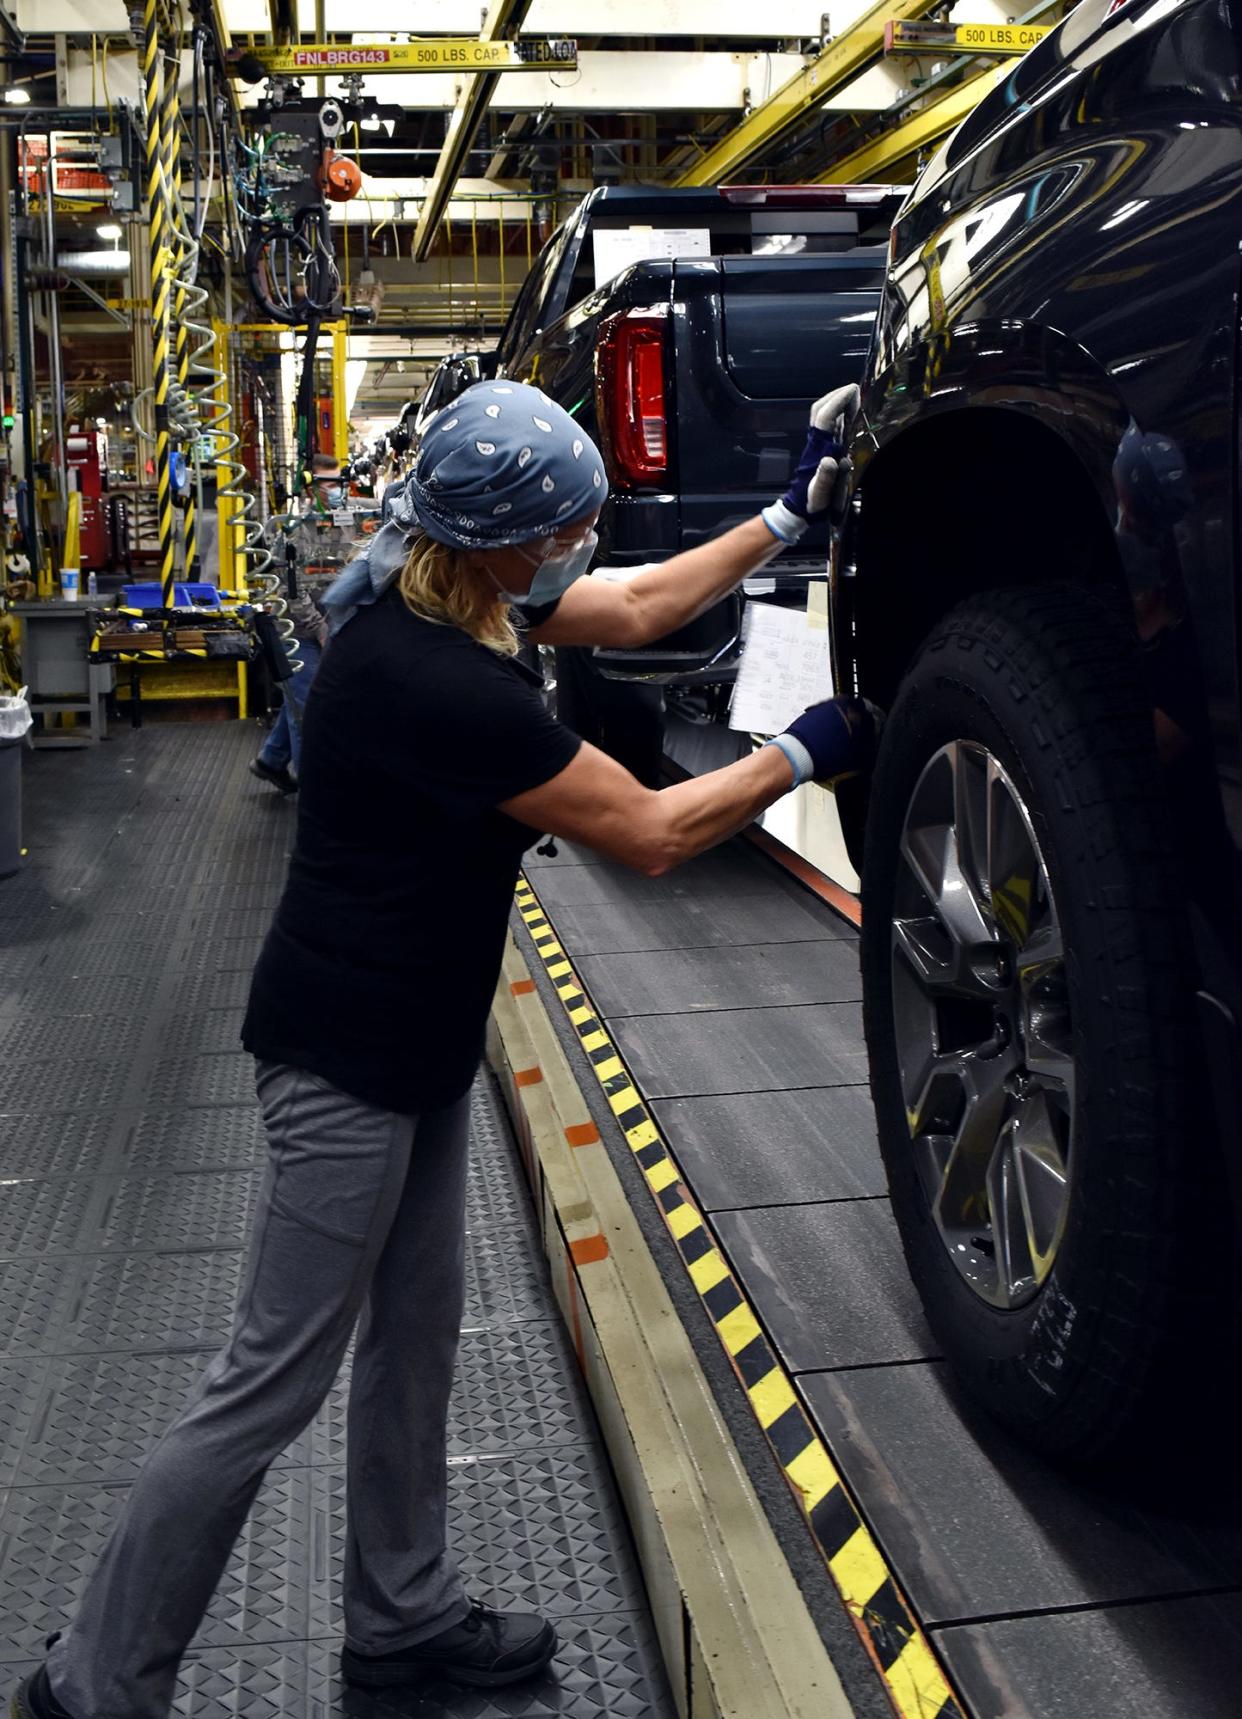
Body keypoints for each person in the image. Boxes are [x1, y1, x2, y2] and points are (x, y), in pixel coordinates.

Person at [11, 379, 872, 1719]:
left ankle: (399, 1613)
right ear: (513, 536)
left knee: (414, 1333)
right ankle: (91, 1680)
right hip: (344, 1060)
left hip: (414, 1038)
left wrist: (782, 511)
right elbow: (649, 831)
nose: (589, 537)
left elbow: (642, 606)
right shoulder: (437, 683)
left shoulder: (447, 590)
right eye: (574, 521)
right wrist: (804, 748)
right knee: (268, 1375)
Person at [249, 456, 342, 794]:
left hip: (328, 630)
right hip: (294, 632)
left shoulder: (342, 522)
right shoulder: (292, 530)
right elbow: (291, 591)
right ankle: (313, 792)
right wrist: (321, 628)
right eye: (326, 485)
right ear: (310, 489)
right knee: (308, 711)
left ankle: (270, 761)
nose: (334, 491)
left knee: (302, 700)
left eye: (338, 483)